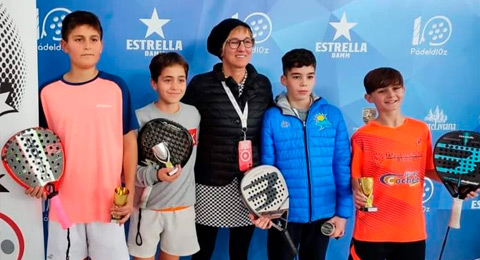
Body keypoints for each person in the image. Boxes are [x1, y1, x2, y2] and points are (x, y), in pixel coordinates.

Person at [33, 11, 137, 260]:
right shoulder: (47, 93)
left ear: (101, 45)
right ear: (64, 45)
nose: (87, 45)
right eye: (78, 39)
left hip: (109, 202)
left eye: (93, 39)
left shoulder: (116, 87)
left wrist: (130, 191)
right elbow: (39, 146)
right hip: (63, 205)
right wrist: (37, 179)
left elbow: (129, 141)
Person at [182, 18, 273, 260]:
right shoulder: (201, 85)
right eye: (234, 42)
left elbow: (269, 129)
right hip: (210, 179)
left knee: (240, 251)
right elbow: (186, 129)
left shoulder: (262, 84)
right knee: (202, 250)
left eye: (247, 41)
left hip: (250, 180)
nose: (242, 48)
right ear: (221, 49)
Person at [257, 48, 352, 260]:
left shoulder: (332, 115)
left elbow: (342, 165)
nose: (303, 83)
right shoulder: (272, 117)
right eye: (296, 77)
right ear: (284, 79)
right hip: (284, 214)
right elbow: (268, 169)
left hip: (324, 212)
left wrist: (342, 213)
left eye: (309, 77)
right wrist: (268, 209)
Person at [348, 67, 438, 260]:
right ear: (369, 98)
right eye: (382, 91)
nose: (391, 95)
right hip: (371, 230)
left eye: (396, 88)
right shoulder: (362, 136)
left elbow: (429, 169)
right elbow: (357, 179)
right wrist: (357, 194)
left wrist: (458, 184)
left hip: (411, 230)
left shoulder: (421, 130)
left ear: (403, 90)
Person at [127, 52, 200, 260]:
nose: (175, 86)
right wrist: (156, 175)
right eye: (167, 80)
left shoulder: (194, 114)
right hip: (147, 208)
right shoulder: (140, 118)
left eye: (181, 80)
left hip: (182, 206)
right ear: (154, 83)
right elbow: (130, 170)